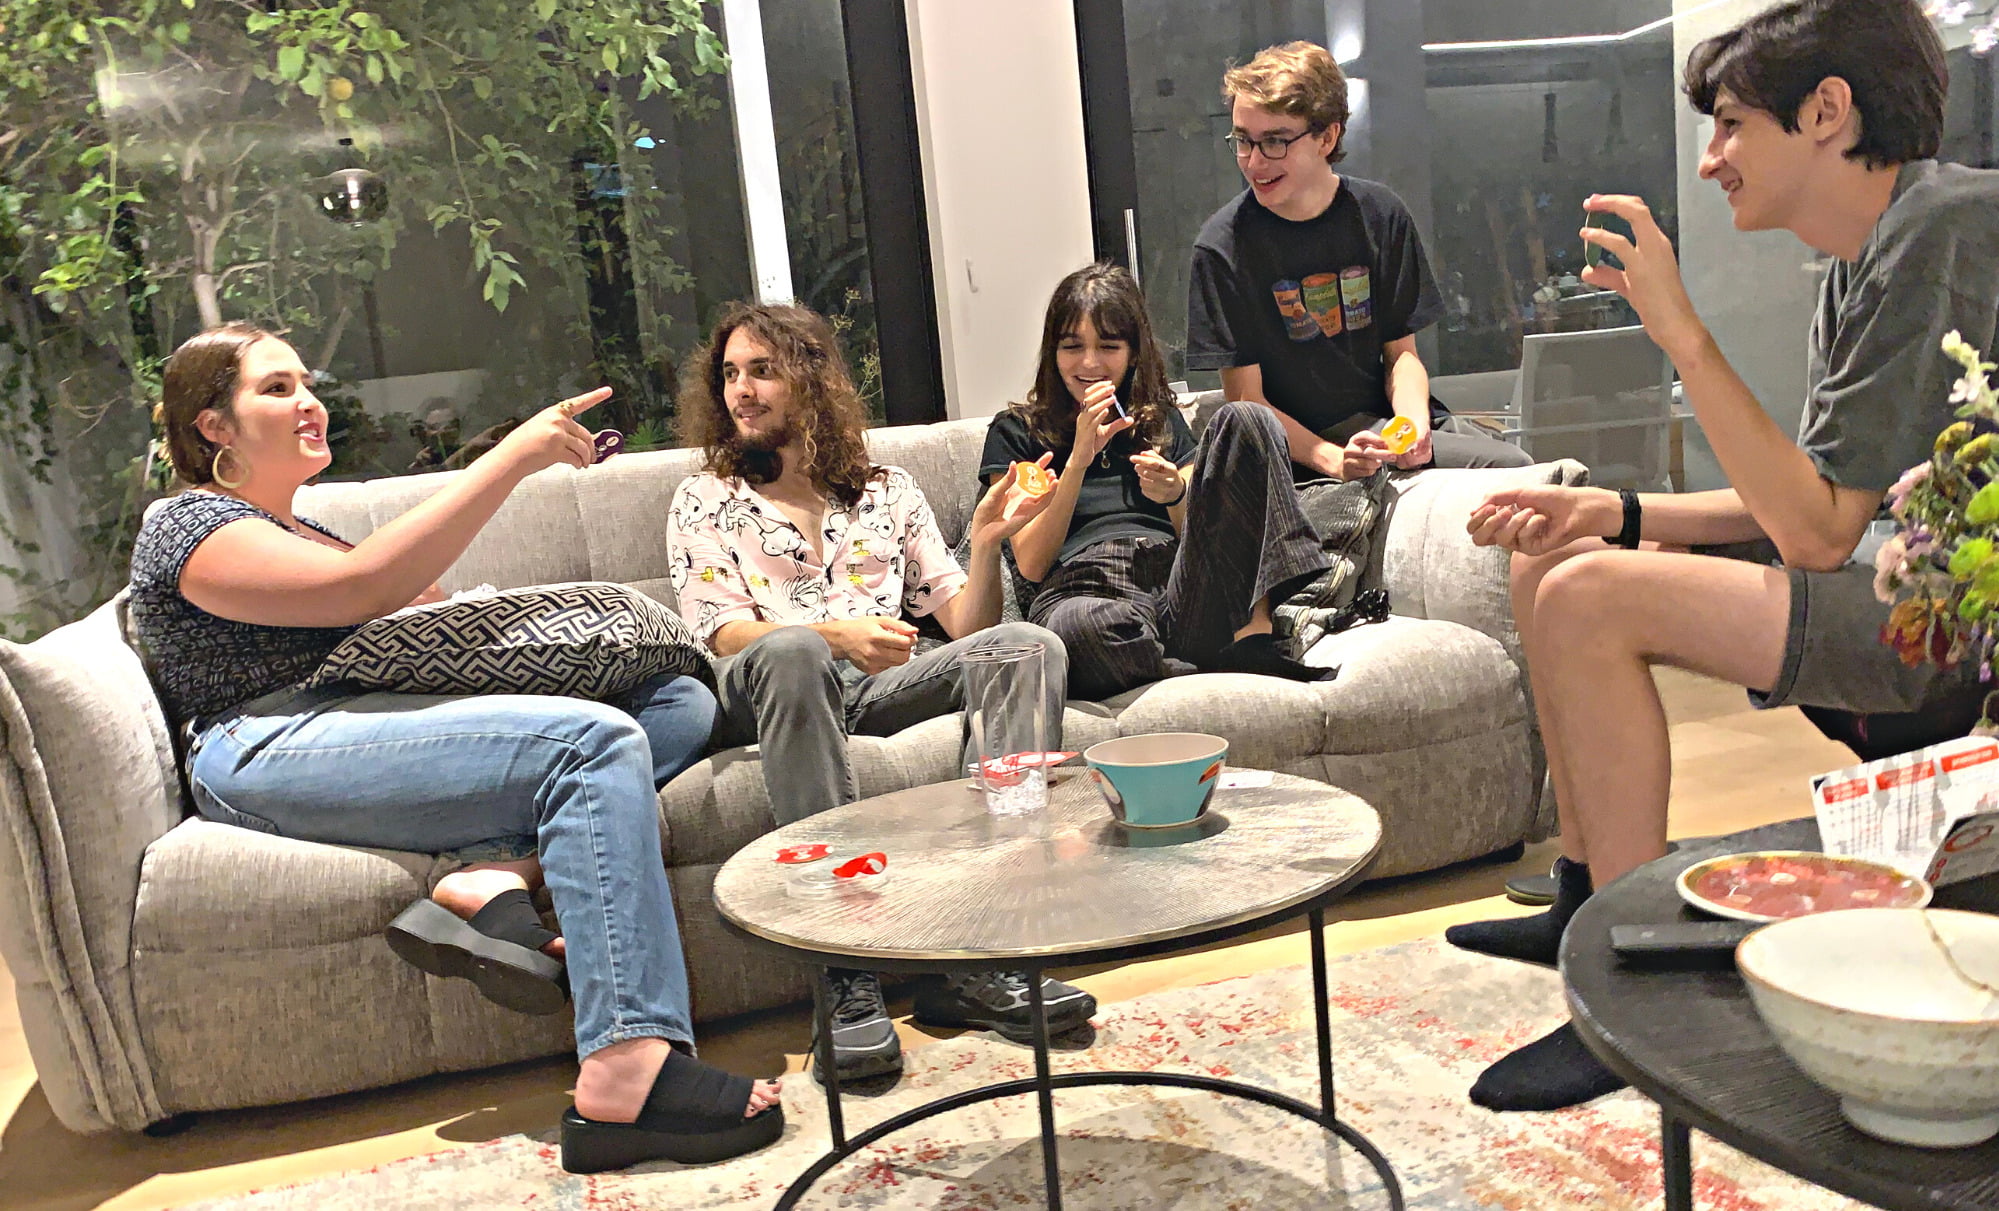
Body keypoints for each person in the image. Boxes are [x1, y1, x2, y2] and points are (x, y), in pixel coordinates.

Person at [1445, 0, 1999, 1113]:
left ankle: (1628, 1002)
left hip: (1952, 624)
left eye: (1732, 124)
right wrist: (1616, 510)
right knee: (1553, 560)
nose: (1709, 160)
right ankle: (1581, 895)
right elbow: (1817, 500)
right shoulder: (1864, 251)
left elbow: (1816, 532)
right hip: (1890, 572)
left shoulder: (1945, 228)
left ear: (1827, 111)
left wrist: (1680, 332)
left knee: (1590, 599)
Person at [127, 324, 778, 1173]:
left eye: (307, 383)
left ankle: (494, 874)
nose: (310, 402)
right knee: (591, 743)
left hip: (360, 714)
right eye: (277, 389)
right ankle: (627, 1065)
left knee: (675, 699)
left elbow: (402, 597)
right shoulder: (187, 522)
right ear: (213, 425)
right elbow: (362, 588)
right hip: (262, 741)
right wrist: (513, 458)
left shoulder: (300, 529)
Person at [667, 302, 1098, 1086]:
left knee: (1028, 646)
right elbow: (723, 634)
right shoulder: (707, 496)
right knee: (795, 649)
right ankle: (842, 972)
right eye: (730, 374)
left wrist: (988, 542)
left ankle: (986, 947)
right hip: (771, 686)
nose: (741, 391)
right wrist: (837, 635)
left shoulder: (886, 490)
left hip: (875, 687)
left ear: (809, 380)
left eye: (761, 371)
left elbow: (966, 625)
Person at [981, 262, 1335, 699]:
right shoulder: (1016, 431)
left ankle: (1252, 637)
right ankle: (1195, 665)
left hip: (1177, 582)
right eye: (1072, 347)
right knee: (1078, 629)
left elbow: (1203, 532)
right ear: (1053, 353)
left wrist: (1176, 494)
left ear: (1133, 354)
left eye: (1108, 346)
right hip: (1082, 588)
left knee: (1248, 417)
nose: (1090, 363)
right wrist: (1076, 463)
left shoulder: (1159, 420)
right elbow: (1032, 563)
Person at [1187, 40, 1533, 481]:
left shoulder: (1381, 214)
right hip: (1301, 450)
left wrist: (1411, 426)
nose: (1253, 161)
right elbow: (1247, 403)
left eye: (1274, 142)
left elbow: (1402, 356)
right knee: (1515, 470)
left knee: (1524, 473)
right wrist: (1334, 460)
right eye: (1242, 140)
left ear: (1327, 137)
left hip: (1385, 423)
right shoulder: (1221, 248)